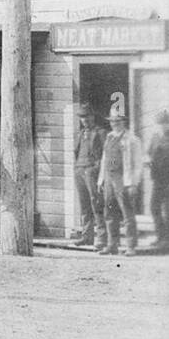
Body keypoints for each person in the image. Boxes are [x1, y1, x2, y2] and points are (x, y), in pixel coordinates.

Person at [97, 108, 143, 256]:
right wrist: (101, 180)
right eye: (112, 121)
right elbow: (104, 159)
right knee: (109, 211)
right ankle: (112, 244)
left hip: (123, 179)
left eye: (117, 121)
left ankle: (130, 246)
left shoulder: (132, 140)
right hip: (109, 177)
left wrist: (133, 183)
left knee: (127, 213)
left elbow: (138, 164)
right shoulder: (109, 137)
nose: (114, 124)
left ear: (123, 122)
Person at [70, 101, 107, 249]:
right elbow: (76, 152)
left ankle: (102, 238)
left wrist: (98, 170)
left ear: (93, 117)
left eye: (87, 116)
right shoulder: (80, 134)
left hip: (92, 171)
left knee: (96, 204)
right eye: (82, 117)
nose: (85, 120)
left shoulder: (100, 132)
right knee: (84, 205)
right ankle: (87, 236)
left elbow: (106, 153)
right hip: (79, 170)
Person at [145, 109, 169, 253]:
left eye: (165, 124)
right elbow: (149, 153)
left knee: (168, 210)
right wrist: (148, 161)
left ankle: (167, 240)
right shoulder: (155, 137)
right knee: (154, 207)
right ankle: (161, 236)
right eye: (160, 124)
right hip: (157, 179)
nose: (162, 127)